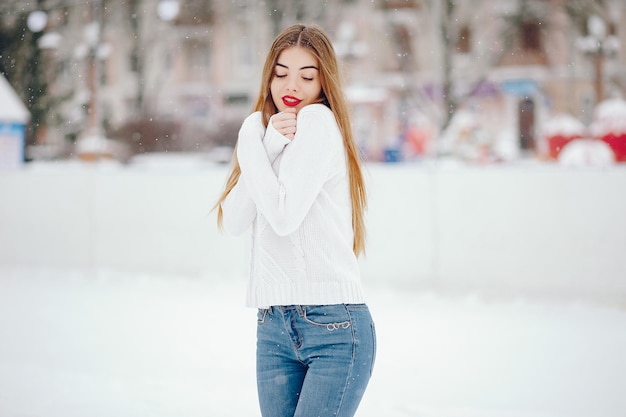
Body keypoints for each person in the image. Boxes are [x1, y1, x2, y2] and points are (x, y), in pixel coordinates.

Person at [214, 23, 375, 417]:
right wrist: (264, 143)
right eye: (282, 72)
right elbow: (234, 220)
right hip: (273, 328)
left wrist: (252, 135)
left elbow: (283, 217)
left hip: (333, 327)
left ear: (324, 83)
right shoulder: (272, 138)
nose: (293, 86)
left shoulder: (318, 123)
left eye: (308, 75)